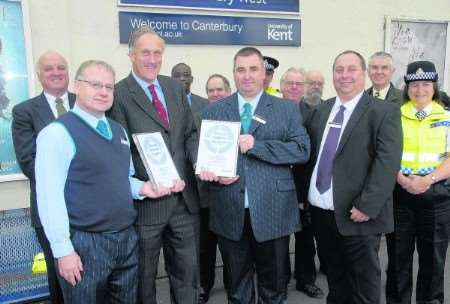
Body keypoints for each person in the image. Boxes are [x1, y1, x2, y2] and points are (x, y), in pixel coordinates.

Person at [34, 60, 169, 303]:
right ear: (77, 86)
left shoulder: (118, 131)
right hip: (85, 244)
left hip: (126, 239)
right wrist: (63, 250)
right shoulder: (56, 134)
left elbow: (121, 179)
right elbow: (48, 197)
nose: (103, 92)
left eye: (109, 86)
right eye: (95, 84)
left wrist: (143, 188)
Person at [199, 46, 310, 304]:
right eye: (240, 70)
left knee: (273, 289)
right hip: (229, 209)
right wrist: (212, 173)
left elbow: (301, 150)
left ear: (264, 74)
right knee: (237, 289)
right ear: (234, 74)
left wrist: (256, 146)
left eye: (253, 69)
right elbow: (205, 155)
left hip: (273, 210)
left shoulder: (286, 109)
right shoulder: (214, 111)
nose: (246, 76)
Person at [302, 50, 402, 304]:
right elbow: (312, 157)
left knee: (363, 288)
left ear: (364, 74)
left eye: (351, 69)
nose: (344, 75)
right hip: (323, 214)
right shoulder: (321, 111)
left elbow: (387, 162)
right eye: (339, 70)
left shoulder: (383, 111)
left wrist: (367, 206)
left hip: (358, 215)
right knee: (336, 283)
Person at [108, 26, 199, 304]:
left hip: (183, 201)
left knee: (187, 275)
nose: (152, 59)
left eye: (157, 53)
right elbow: (121, 151)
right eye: (145, 52)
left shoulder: (174, 88)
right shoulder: (120, 94)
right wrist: (146, 185)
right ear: (131, 55)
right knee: (143, 280)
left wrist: (200, 164)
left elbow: (189, 135)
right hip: (147, 205)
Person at [11, 50, 74, 304]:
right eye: (49, 69)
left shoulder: (86, 103)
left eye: (61, 67)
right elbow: (29, 162)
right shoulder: (24, 112)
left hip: (92, 210)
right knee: (60, 277)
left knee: (94, 276)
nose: (56, 72)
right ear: (39, 75)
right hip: (50, 211)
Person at [386, 61, 450, 304]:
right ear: (407, 87)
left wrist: (428, 180)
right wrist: (402, 179)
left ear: (434, 86)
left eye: (425, 84)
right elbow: (385, 153)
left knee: (433, 262)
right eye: (414, 84)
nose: (420, 90)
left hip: (437, 196)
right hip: (400, 194)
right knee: (398, 259)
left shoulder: (446, 117)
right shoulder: (394, 116)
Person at [281, 67, 325, 298]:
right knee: (277, 238)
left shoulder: (314, 113)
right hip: (275, 185)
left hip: (303, 185)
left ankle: (305, 280)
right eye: (290, 83)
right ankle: (280, 279)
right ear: (281, 86)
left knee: (305, 237)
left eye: (299, 84)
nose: (294, 87)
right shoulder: (270, 110)